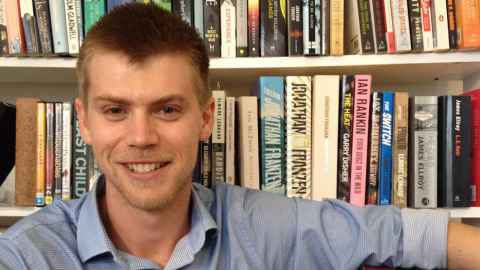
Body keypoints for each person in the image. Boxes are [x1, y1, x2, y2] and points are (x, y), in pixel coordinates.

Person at [0, 3, 479, 270]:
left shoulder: (259, 225)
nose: (141, 136)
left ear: (205, 118)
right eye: (115, 110)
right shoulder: (27, 255)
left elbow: (407, 235)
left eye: (167, 109)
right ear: (83, 122)